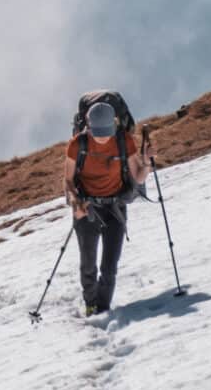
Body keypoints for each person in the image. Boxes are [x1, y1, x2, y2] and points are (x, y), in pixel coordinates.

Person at [63, 98, 150, 315]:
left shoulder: (124, 141)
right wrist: (75, 204)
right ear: (88, 126)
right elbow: (68, 180)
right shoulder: (77, 144)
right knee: (88, 265)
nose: (102, 137)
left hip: (115, 208)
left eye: (106, 131)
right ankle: (91, 305)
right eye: (98, 132)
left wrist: (147, 162)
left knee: (109, 267)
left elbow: (138, 177)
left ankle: (103, 309)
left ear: (114, 124)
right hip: (87, 207)